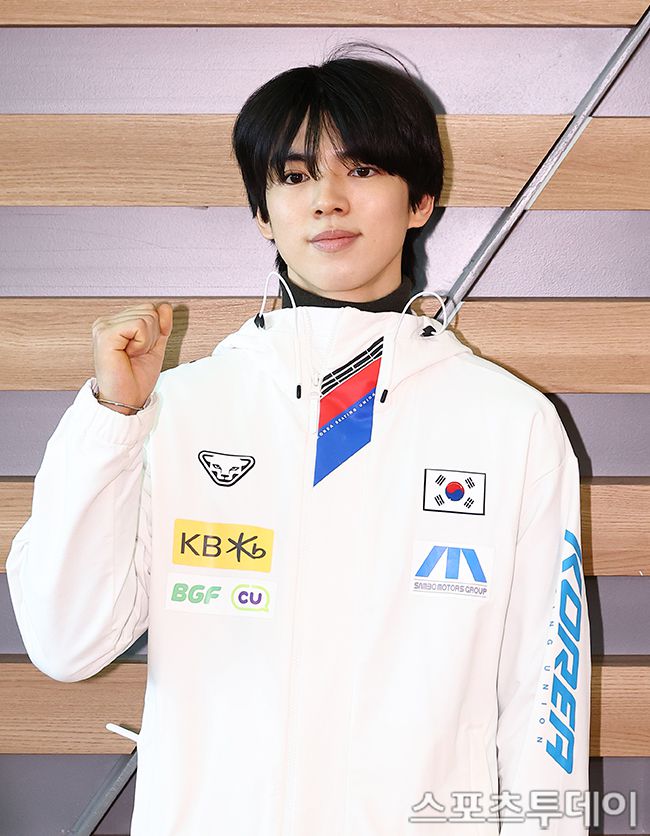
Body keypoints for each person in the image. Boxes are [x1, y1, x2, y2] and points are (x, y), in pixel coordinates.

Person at [6, 45, 591, 834]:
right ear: (262, 212)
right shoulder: (174, 410)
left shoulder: (509, 422)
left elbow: (544, 698)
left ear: (420, 200)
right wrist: (111, 420)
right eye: (293, 176)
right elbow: (66, 641)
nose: (327, 201)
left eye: (362, 169)